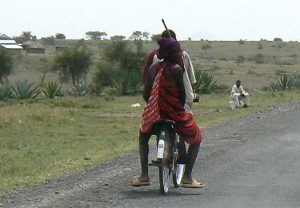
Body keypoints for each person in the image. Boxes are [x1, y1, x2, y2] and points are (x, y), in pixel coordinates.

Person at [130, 37, 204, 188]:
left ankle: (144, 175)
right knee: (197, 138)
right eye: (178, 51)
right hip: (174, 115)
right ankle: (188, 177)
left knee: (143, 136)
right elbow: (182, 96)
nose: (180, 54)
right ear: (171, 54)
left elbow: (146, 95)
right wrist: (176, 106)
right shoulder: (176, 69)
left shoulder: (153, 69)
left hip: (156, 115)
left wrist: (154, 106)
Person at [143, 29, 197, 112]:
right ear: (170, 52)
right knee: (190, 125)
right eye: (177, 51)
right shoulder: (178, 66)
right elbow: (184, 93)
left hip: (156, 110)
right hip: (177, 109)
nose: (179, 54)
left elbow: (146, 92)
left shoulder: (153, 66)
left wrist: (152, 106)